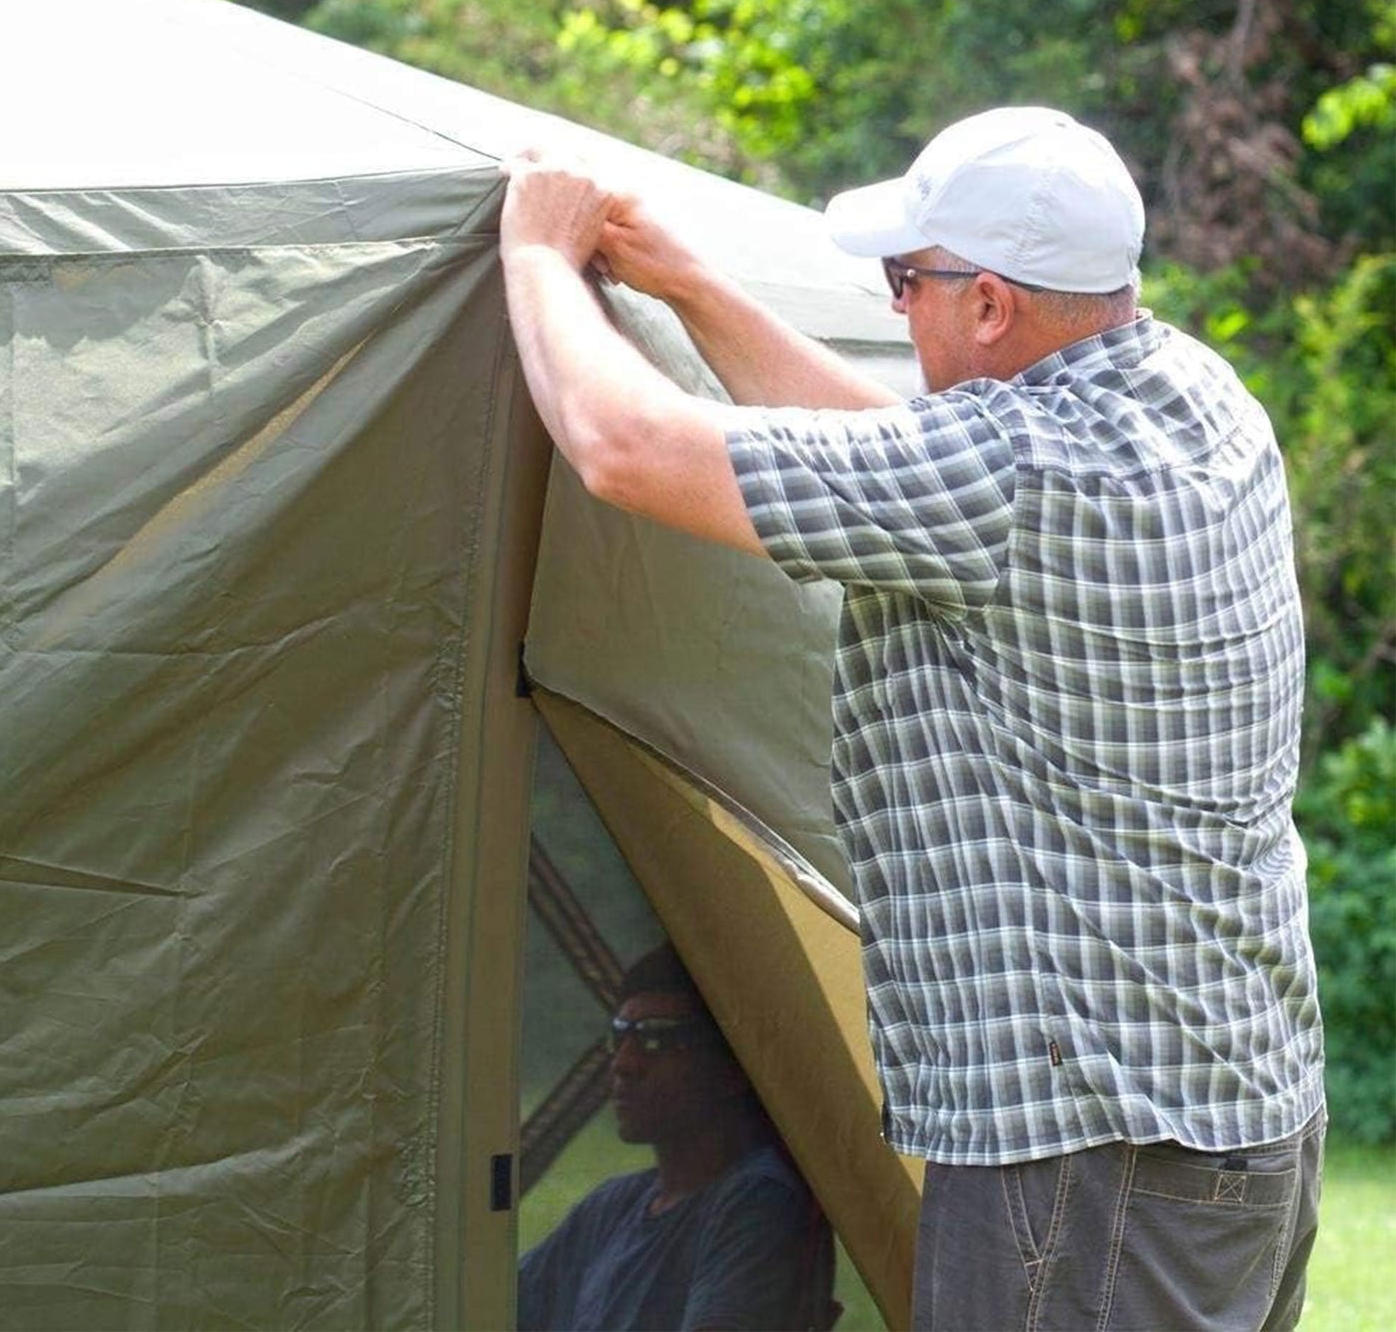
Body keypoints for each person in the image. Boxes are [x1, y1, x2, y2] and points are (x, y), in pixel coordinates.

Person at [499, 105, 1326, 1331]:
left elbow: (623, 447)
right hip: (1228, 1119)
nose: (897, 308)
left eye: (908, 280)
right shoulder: (1186, 395)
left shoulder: (1020, 468)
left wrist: (531, 252)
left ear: (989, 305)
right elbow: (892, 458)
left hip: (1087, 1163)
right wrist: (685, 287)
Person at [517, 943, 836, 1332]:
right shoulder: (609, 1208)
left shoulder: (761, 1202)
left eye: (656, 1039)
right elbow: (486, 1307)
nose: (624, 1064)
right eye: (620, 1037)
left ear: (734, 1065)